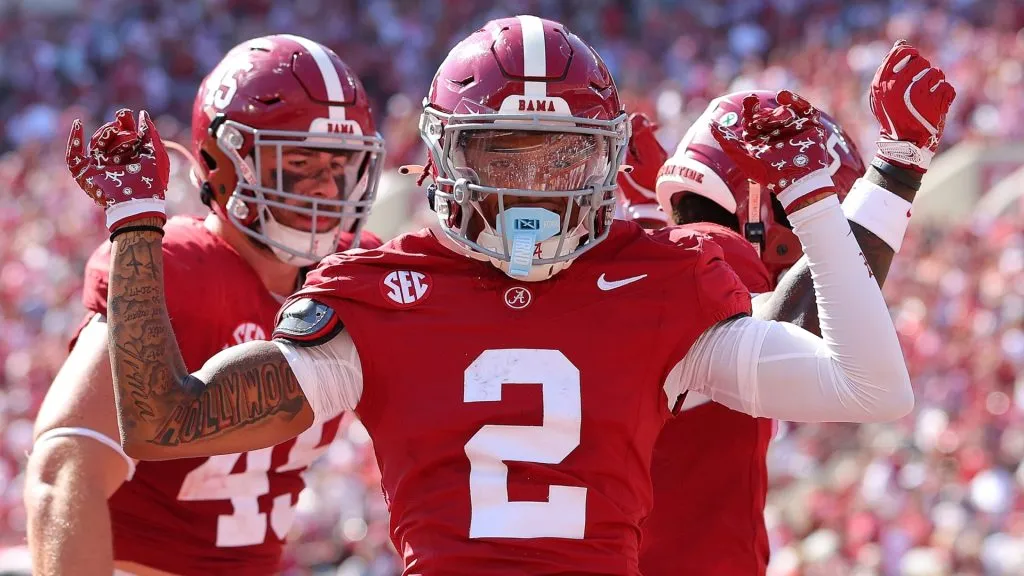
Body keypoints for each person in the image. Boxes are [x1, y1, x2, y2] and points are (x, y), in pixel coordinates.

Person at [69, 16, 914, 575]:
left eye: (560, 161)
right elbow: (160, 424)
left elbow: (869, 388)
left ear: (604, 161)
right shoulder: (381, 292)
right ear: (444, 159)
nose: (532, 195)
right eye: (503, 158)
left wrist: (806, 193)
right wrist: (141, 224)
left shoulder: (657, 278)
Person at [26, 34, 386, 576]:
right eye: (300, 161)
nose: (326, 187)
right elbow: (66, 462)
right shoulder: (176, 264)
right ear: (225, 161)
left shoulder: (357, 275)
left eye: (341, 163)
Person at [615, 42, 955, 576]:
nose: (828, 242)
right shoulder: (712, 256)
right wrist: (897, 170)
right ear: (759, 206)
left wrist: (642, 222)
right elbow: (806, 335)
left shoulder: (660, 269)